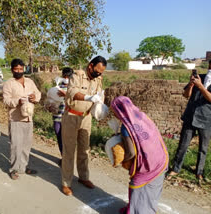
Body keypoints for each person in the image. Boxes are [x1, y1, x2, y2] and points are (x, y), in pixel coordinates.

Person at [110, 96, 168, 214]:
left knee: (137, 185)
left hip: (149, 164)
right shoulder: (142, 117)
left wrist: (121, 161)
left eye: (114, 111)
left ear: (120, 111)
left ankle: (138, 211)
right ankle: (148, 208)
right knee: (152, 190)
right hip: (160, 157)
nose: (114, 114)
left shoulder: (126, 127)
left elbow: (131, 153)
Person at [61, 56, 106, 196]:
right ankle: (66, 183)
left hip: (86, 117)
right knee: (69, 151)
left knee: (84, 149)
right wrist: (87, 97)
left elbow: (99, 95)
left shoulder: (98, 80)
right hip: (71, 116)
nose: (98, 74)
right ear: (90, 66)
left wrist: (99, 105)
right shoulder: (77, 75)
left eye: (101, 72)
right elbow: (72, 92)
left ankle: (83, 177)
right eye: (97, 71)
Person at [167, 63, 211, 181]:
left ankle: (199, 172)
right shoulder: (199, 77)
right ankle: (176, 169)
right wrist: (191, 85)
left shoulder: (200, 82)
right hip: (190, 117)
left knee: (203, 148)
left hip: (206, 119)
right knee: (183, 144)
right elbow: (186, 95)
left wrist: (201, 86)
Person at [3, 58, 41, 180]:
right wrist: (17, 101)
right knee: (16, 145)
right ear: (12, 70)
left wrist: (35, 97)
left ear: (24, 69)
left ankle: (23, 167)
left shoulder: (29, 81)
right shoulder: (9, 83)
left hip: (28, 118)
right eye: (16, 69)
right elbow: (6, 100)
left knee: (26, 145)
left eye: (21, 69)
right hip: (16, 118)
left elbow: (38, 94)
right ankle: (14, 169)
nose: (19, 71)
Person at [46, 67, 73, 166]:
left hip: (69, 119)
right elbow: (49, 102)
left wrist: (66, 95)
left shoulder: (74, 89)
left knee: (68, 139)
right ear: (62, 76)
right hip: (57, 118)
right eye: (65, 76)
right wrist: (49, 106)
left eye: (68, 76)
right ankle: (64, 157)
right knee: (60, 138)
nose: (66, 78)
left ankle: (68, 159)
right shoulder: (55, 88)